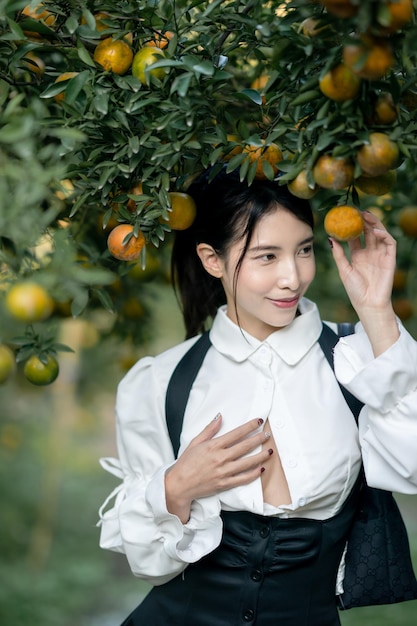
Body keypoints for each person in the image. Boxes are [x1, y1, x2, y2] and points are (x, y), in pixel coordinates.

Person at [98, 167, 417, 626]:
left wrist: (377, 313)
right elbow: (148, 563)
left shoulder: (363, 362)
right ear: (212, 259)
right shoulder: (161, 381)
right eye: (267, 257)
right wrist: (176, 487)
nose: (293, 277)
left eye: (304, 250)